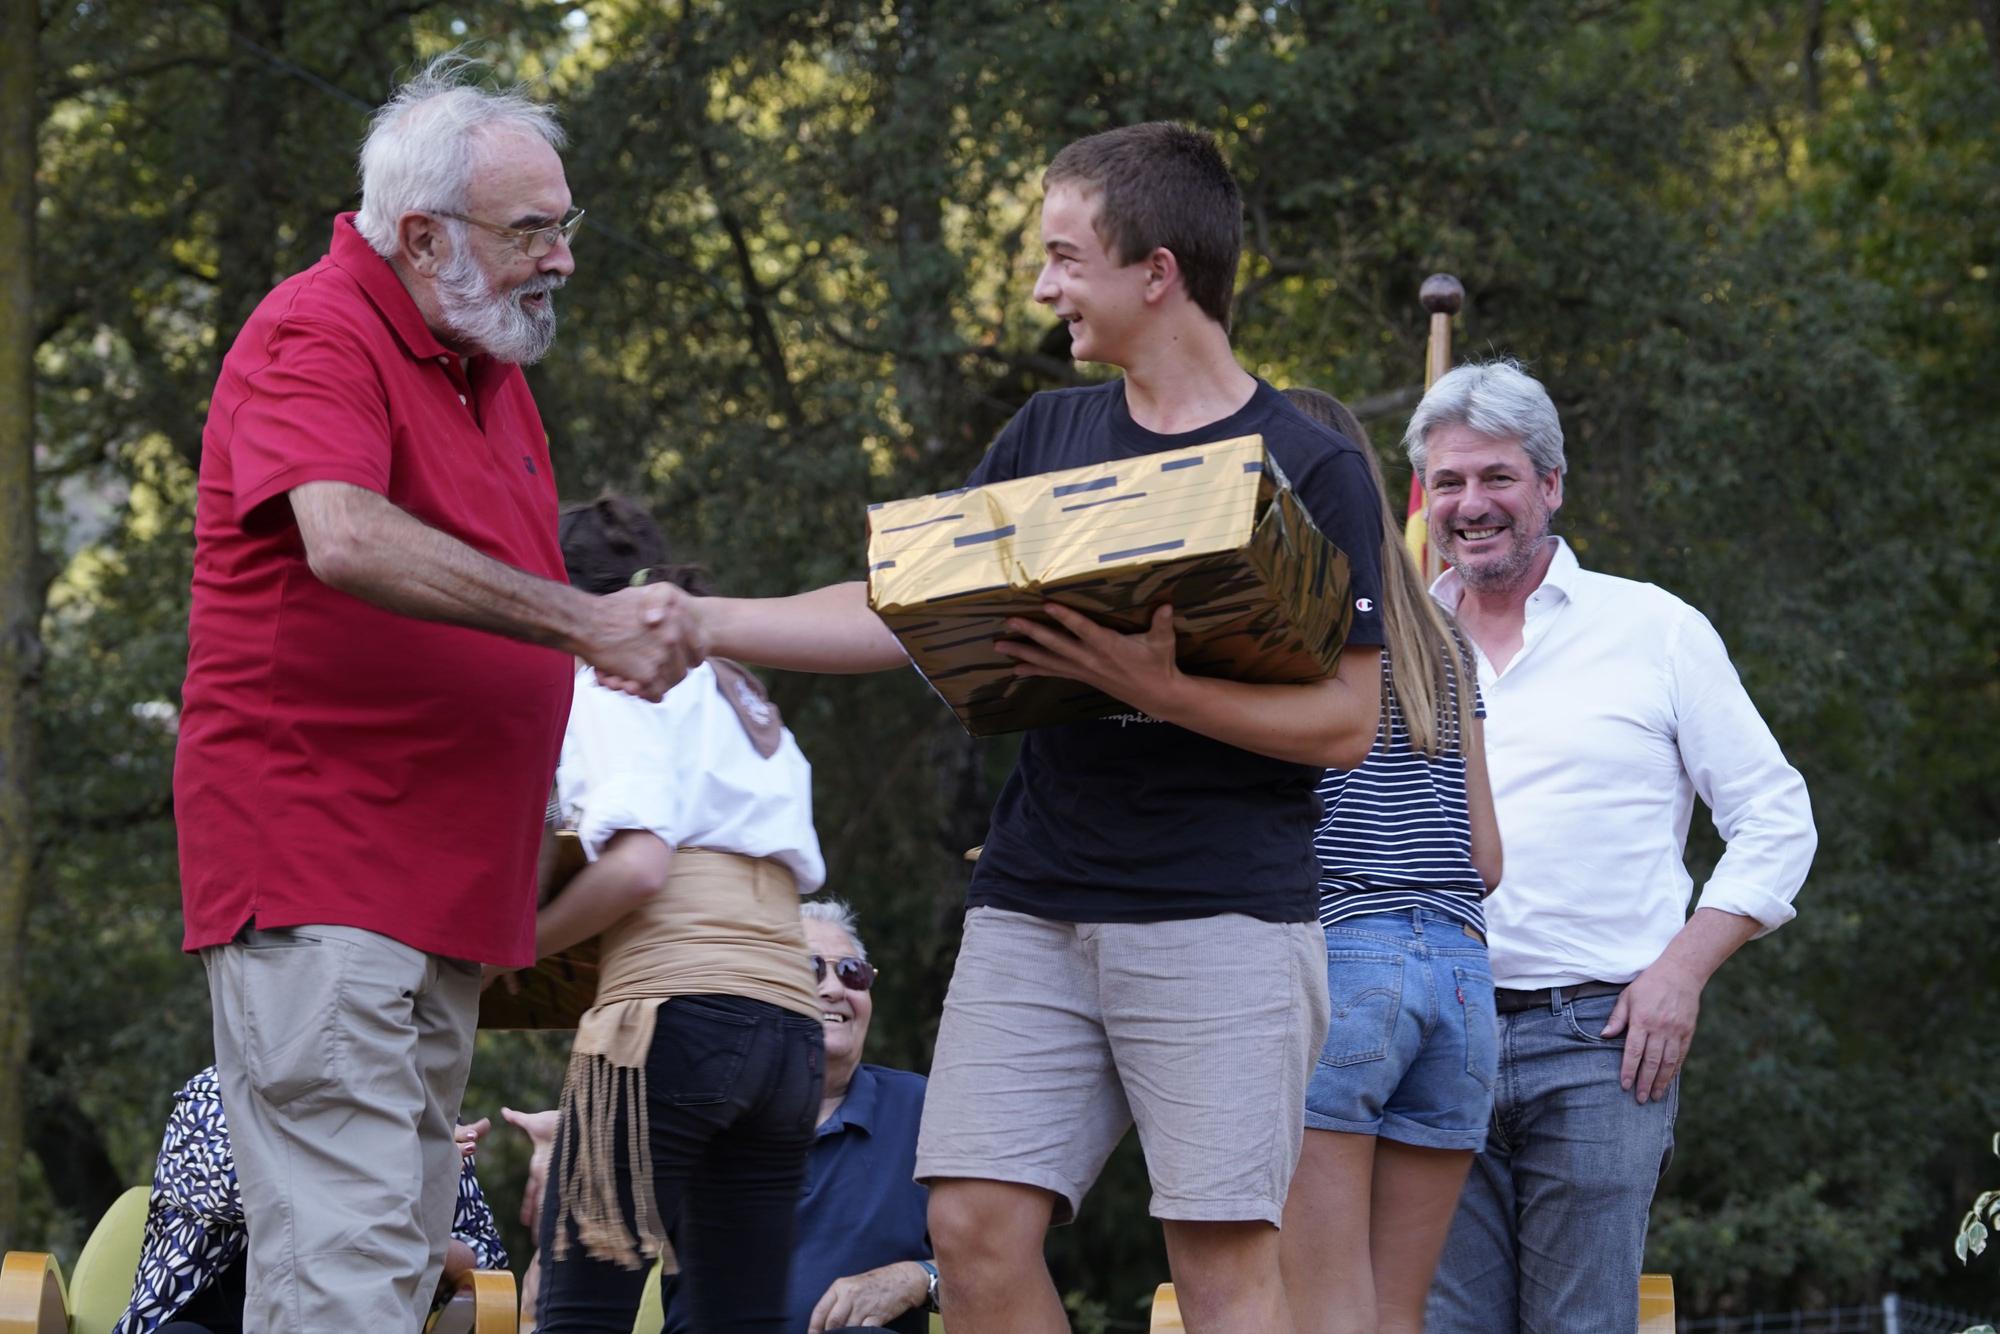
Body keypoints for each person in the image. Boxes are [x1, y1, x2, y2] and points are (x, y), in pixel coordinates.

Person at [679, 123, 1388, 1332]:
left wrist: (1163, 690)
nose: (1043, 285)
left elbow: (1344, 723)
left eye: (1064, 257)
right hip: (1033, 901)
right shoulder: (1045, 439)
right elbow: (897, 604)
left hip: (1221, 917)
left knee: (1219, 1270)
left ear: (1154, 272)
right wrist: (702, 618)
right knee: (968, 1230)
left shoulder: (1308, 464)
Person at [173, 53, 693, 1332]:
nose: (562, 256)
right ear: (420, 234)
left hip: (436, 888)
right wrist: (583, 622)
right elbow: (343, 534)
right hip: (319, 866)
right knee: (344, 1268)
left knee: (396, 1269)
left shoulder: (488, 370)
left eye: (564, 224)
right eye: (534, 230)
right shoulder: (316, 328)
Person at [1407, 361, 1817, 1332]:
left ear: (1549, 484)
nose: (1473, 503)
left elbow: (1774, 814)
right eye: (1450, 481)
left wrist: (1681, 969)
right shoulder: (1393, 646)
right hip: (1427, 1034)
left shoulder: (1655, 629)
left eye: (1497, 477)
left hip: (1598, 1045)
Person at [530, 495, 826, 1334]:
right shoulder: (734, 684)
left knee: (579, 1317)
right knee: (739, 1321)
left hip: (669, 1017)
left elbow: (640, 865)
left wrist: (521, 948)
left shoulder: (605, 672)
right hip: (788, 1027)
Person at [1274, 388, 1501, 1334]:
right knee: (1397, 1317)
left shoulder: (1290, 621)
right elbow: (1486, 857)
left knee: (1321, 1312)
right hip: (1461, 982)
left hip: (1344, 960)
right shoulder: (1445, 636)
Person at [655, 899, 934, 1334]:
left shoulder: (918, 1108)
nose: (835, 989)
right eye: (810, 968)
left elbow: (998, 1260)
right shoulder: (697, 1110)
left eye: (852, 972)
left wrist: (918, 1277)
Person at [112, 1066, 507, 1334]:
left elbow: (486, 1259)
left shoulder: (417, 1113)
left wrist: (426, 1201)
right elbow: (246, 1193)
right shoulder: (212, 1094)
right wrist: (399, 1173)